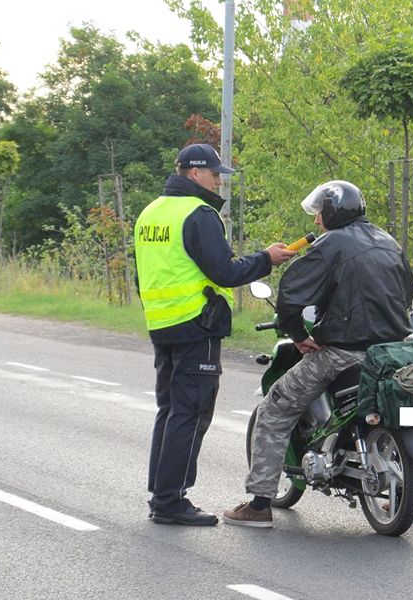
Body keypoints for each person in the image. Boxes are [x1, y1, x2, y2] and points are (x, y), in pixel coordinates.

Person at [222, 180, 413, 528]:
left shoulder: (330, 245)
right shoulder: (390, 243)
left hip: (342, 352)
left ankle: (259, 504)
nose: (315, 222)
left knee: (274, 408)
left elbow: (292, 295)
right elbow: (405, 294)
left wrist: (297, 335)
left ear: (332, 212)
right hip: (393, 353)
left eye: (319, 214)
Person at [135, 143, 296, 526]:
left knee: (170, 410)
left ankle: (161, 493)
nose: (219, 182)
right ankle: (171, 502)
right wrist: (265, 259)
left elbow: (143, 273)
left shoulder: (151, 212)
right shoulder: (198, 213)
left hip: (163, 324)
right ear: (194, 173)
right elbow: (224, 272)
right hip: (197, 324)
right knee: (190, 413)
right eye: (214, 174)